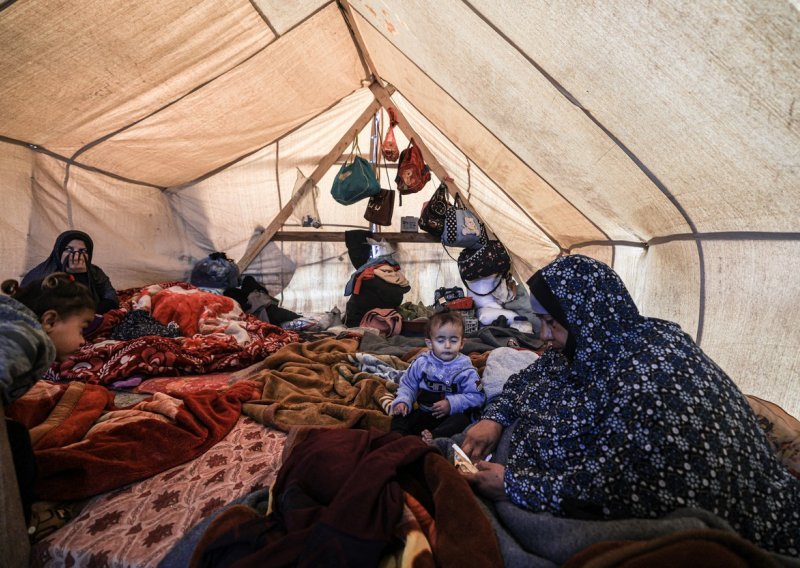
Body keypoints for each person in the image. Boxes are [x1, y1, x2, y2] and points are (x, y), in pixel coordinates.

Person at [460, 254, 800, 557]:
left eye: (552, 322)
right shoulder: (596, 340)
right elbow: (527, 380)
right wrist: (494, 417)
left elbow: (622, 486)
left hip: (758, 522)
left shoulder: (648, 372)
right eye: (541, 321)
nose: (544, 336)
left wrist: (516, 487)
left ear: (585, 313)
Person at [1, 274, 95, 533]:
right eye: (82, 328)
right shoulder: (26, 336)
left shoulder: (13, 323)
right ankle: (25, 521)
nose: (83, 341)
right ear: (50, 320)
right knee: (16, 444)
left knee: (17, 435)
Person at [391, 310, 484, 442]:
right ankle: (396, 438)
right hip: (424, 413)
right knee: (401, 414)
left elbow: (478, 396)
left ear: (462, 343)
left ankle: (433, 437)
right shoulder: (422, 363)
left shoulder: (466, 370)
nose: (447, 345)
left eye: (453, 340)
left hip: (449, 417)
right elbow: (408, 384)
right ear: (430, 343)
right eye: (441, 340)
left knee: (462, 421)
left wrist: (452, 404)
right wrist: (403, 400)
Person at [22, 230, 119, 314]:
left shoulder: (94, 272)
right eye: (69, 250)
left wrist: (81, 275)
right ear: (58, 252)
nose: (76, 256)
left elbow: (111, 298)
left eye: (83, 251)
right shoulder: (42, 275)